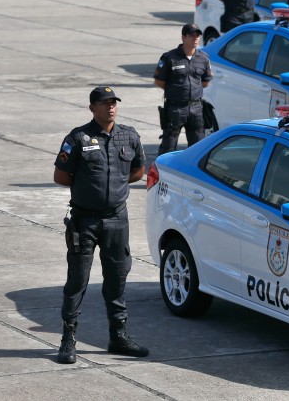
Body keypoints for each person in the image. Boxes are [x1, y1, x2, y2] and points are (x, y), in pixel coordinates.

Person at [53, 86, 149, 365]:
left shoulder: (129, 135)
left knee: (117, 278)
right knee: (77, 280)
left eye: (113, 102)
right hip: (85, 220)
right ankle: (68, 339)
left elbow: (138, 170)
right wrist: (88, 187)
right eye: (105, 103)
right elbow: (61, 175)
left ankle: (118, 336)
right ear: (92, 107)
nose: (111, 107)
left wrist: (114, 185)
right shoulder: (78, 138)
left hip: (117, 219)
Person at [154, 23, 214, 155]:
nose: (195, 38)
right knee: (168, 146)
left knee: (198, 147)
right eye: (192, 35)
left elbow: (206, 81)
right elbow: (159, 81)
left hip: (196, 108)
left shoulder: (203, 58)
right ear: (183, 37)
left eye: (197, 35)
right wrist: (177, 91)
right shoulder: (170, 58)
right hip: (175, 108)